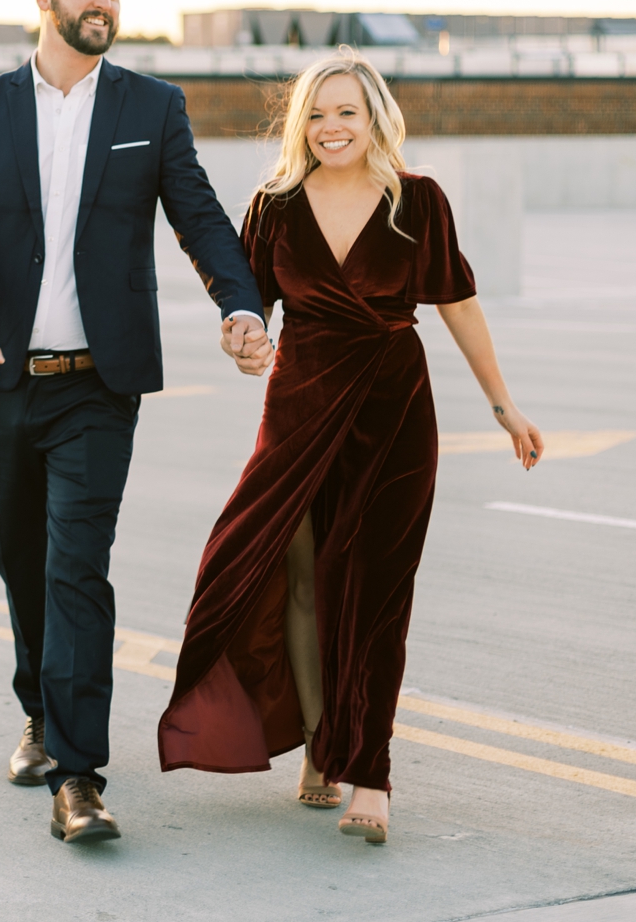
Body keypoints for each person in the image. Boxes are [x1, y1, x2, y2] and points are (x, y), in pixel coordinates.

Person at [0, 0, 271, 845]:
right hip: (0, 378)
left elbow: (197, 212)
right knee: (21, 557)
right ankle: (38, 712)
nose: (105, 2)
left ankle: (78, 776)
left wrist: (240, 302)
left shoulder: (151, 107)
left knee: (77, 566)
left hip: (99, 385)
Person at [156, 46, 545, 846]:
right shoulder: (275, 204)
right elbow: (247, 306)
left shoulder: (417, 200)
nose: (332, 127)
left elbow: (461, 307)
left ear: (374, 119)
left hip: (394, 409)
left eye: (347, 113)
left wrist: (504, 406)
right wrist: (241, 338)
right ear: (302, 124)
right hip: (298, 408)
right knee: (289, 577)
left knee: (375, 592)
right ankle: (318, 744)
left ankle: (370, 769)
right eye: (319, 114)